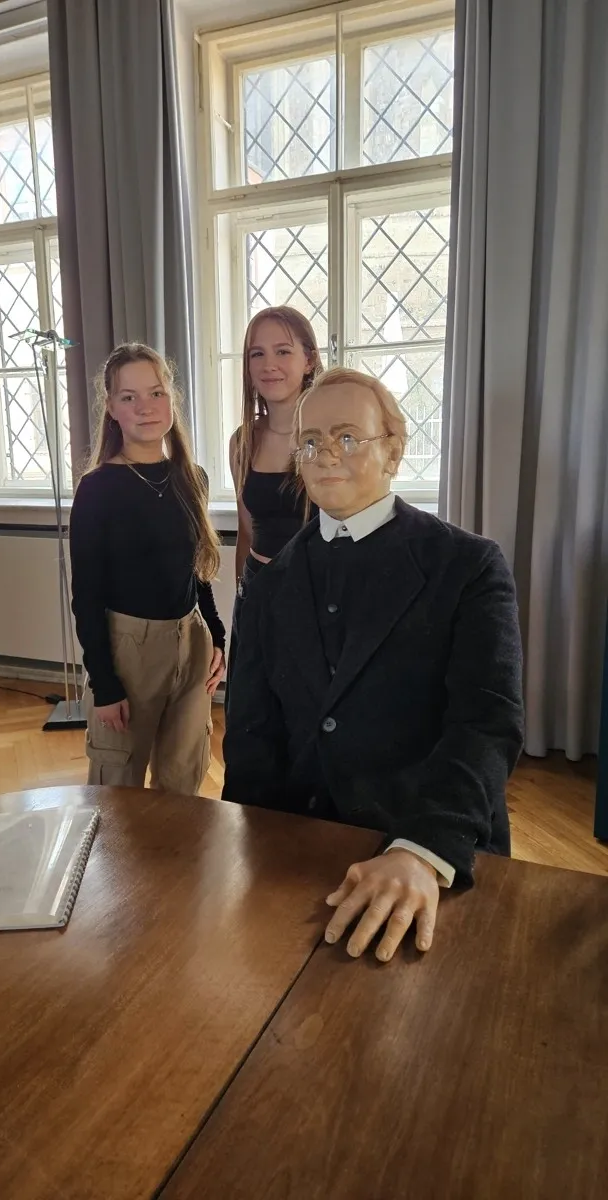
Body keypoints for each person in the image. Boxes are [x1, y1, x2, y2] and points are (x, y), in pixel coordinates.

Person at [223, 367, 524, 963]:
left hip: (427, 850)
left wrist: (421, 849)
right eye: (310, 441)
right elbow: (251, 730)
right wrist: (250, 842)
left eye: (347, 437)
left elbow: (487, 721)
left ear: (394, 450)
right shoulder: (268, 583)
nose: (325, 455)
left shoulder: (467, 566)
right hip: (298, 856)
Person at [70, 342, 226, 793]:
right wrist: (105, 685)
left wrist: (216, 635)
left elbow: (196, 568)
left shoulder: (192, 477)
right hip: (128, 651)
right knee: (117, 787)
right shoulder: (97, 490)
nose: (145, 407)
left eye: (156, 393)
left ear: (171, 399)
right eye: (129, 397)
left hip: (190, 643)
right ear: (111, 408)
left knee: (183, 778)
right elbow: (87, 596)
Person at [226, 306, 322, 700]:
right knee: (256, 713)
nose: (269, 365)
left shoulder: (331, 437)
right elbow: (246, 531)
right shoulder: (242, 441)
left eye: (283, 351)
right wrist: (243, 599)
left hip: (320, 599)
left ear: (308, 360)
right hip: (259, 594)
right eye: (257, 353)